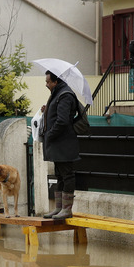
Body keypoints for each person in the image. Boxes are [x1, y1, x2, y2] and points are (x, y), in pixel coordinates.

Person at [41, 70, 84, 220]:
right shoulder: (58, 93)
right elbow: (56, 115)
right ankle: (59, 208)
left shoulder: (65, 95)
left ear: (56, 82)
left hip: (63, 143)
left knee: (67, 175)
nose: (46, 84)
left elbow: (63, 121)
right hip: (58, 144)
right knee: (59, 175)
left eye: (48, 82)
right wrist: (46, 111)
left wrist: (50, 135)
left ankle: (66, 209)